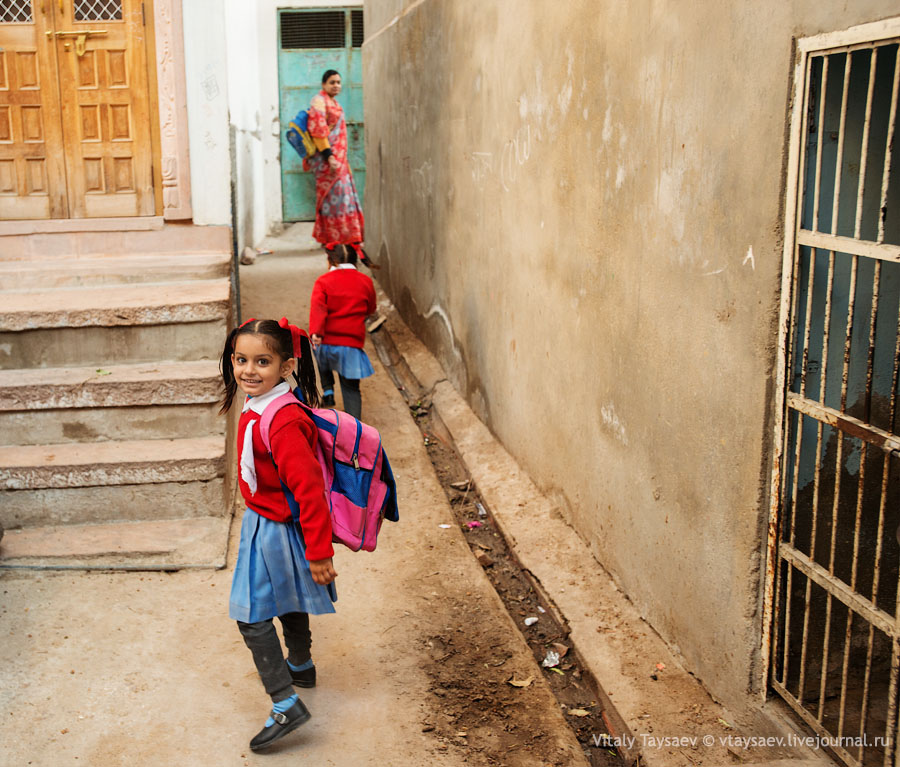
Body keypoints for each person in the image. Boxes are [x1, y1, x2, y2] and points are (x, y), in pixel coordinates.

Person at [219, 317, 338, 752]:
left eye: (262, 361)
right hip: (267, 520)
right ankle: (301, 665)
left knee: (250, 614)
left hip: (274, 527)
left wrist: (320, 552)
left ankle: (285, 702)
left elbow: (309, 491)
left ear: (287, 366)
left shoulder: (283, 420)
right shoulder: (265, 404)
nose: (249, 370)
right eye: (241, 359)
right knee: (286, 597)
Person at [309, 243, 376, 419]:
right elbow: (370, 308)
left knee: (317, 351)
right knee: (351, 388)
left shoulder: (323, 282)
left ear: (330, 261)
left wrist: (316, 332)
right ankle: (354, 426)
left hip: (327, 345)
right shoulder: (365, 282)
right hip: (351, 346)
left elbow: (318, 309)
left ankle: (328, 390)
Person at [304, 69, 365, 247]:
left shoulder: (333, 103)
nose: (336, 85)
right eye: (332, 82)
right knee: (332, 200)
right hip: (327, 162)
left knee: (343, 200)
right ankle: (333, 238)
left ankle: (344, 237)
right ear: (324, 84)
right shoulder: (319, 102)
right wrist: (329, 157)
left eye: (338, 82)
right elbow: (318, 131)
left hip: (339, 162)